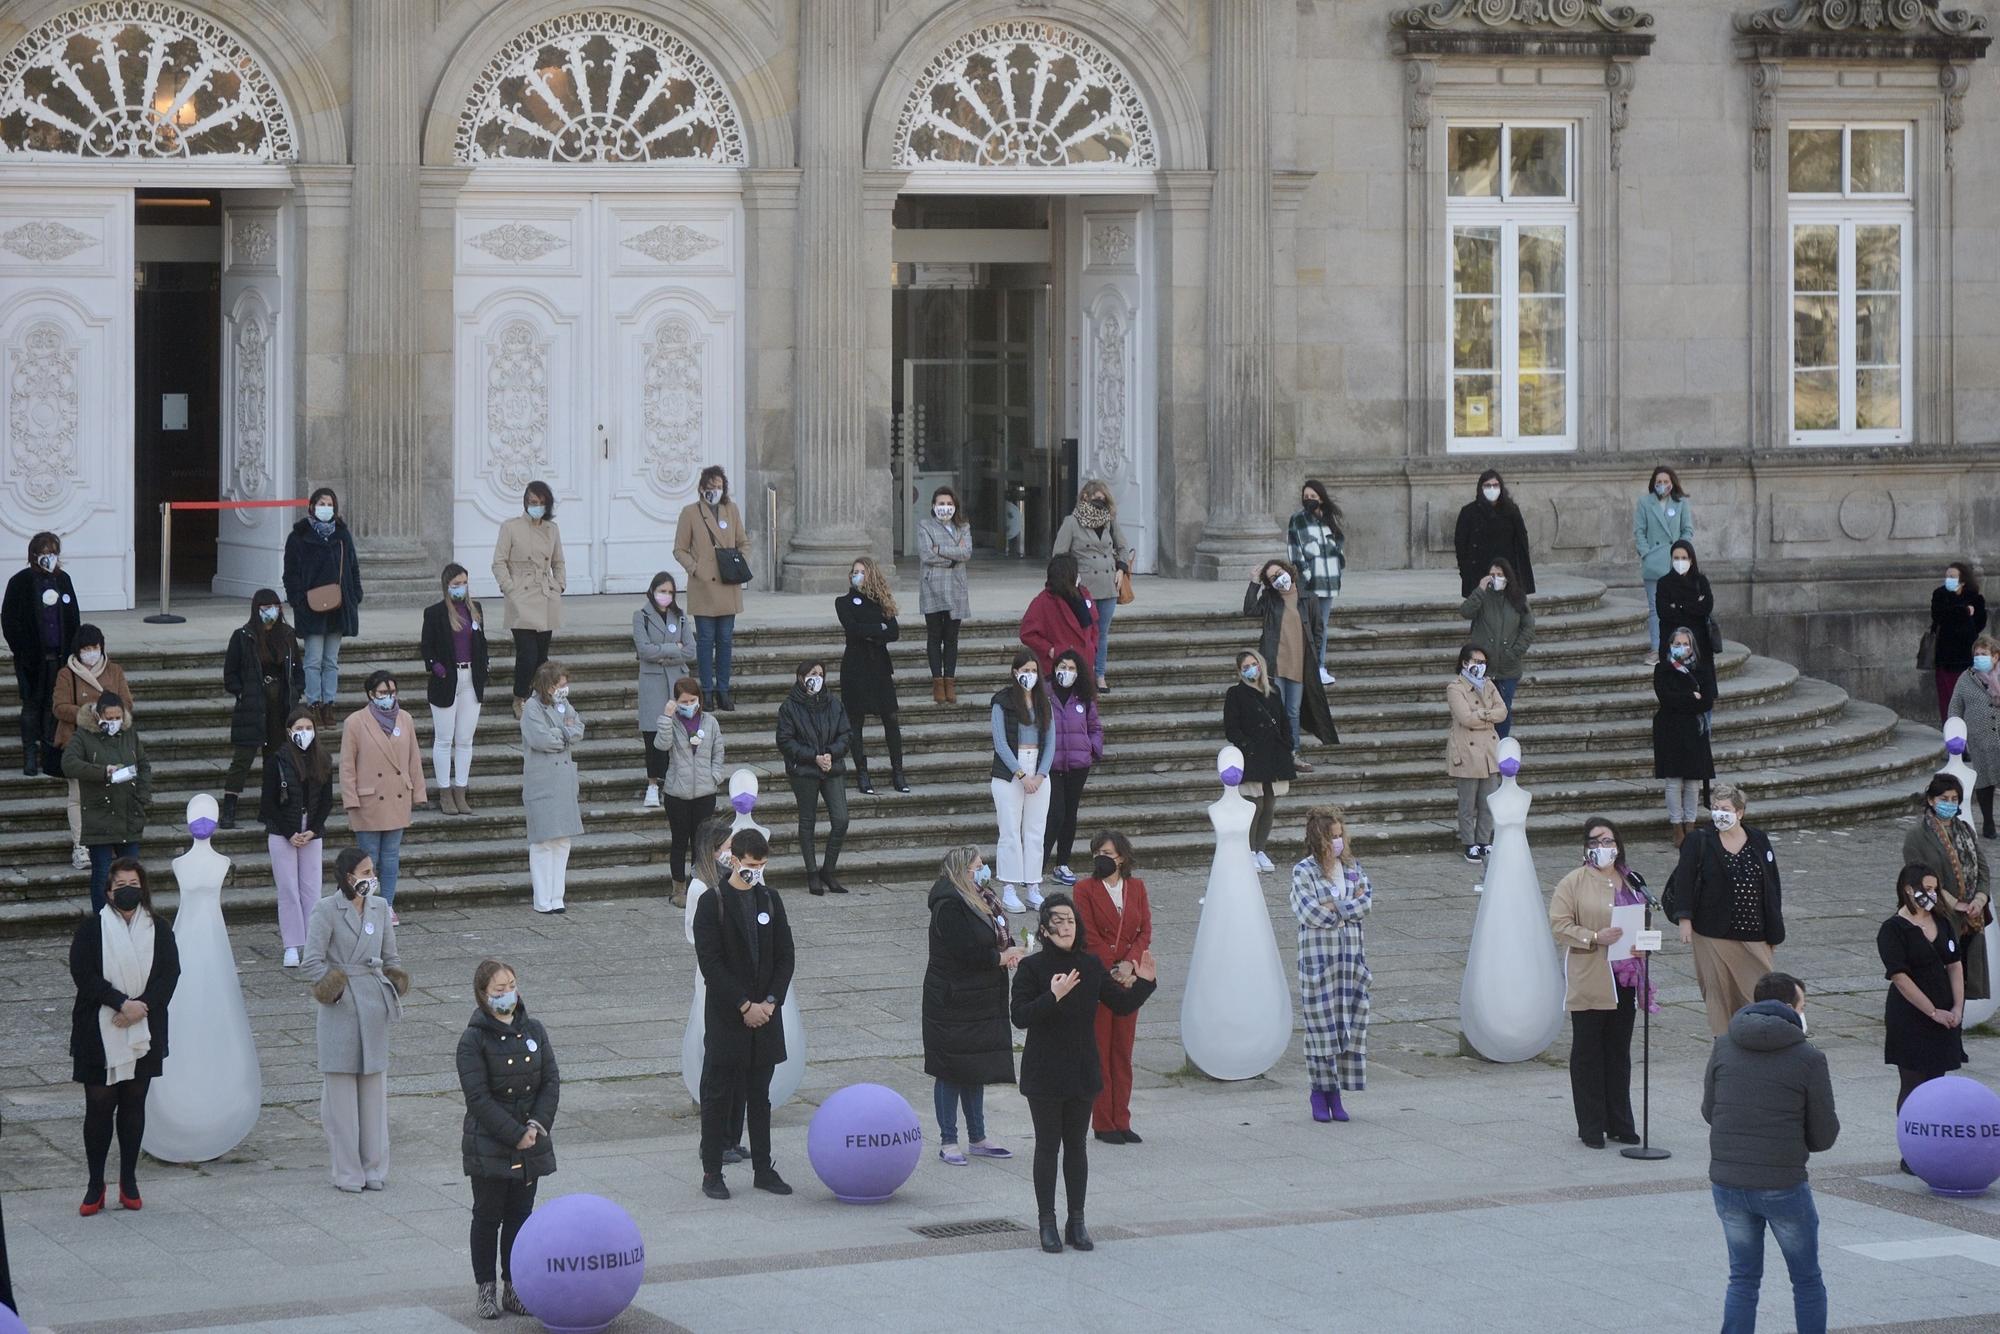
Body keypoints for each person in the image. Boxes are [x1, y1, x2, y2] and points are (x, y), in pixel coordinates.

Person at [1010, 894, 1158, 1254]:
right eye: (1057, 922)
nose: (1065, 927)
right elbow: (1020, 1016)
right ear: (1044, 929)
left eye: (1071, 921)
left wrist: (1145, 984)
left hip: (1081, 1069)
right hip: (1045, 1073)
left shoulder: (1090, 965)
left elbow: (1119, 1005)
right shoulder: (1033, 969)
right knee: (1048, 1146)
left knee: (1076, 1146)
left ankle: (1076, 1221)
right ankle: (1047, 1222)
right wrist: (1053, 995)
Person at [1702, 971, 1836, 1334]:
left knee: (1742, 1279)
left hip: (1728, 1183)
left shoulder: (1724, 1044)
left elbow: (1708, 1110)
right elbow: (1825, 1134)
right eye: (1803, 1005)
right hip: (1782, 1182)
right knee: (1806, 1280)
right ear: (1790, 1008)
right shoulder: (1808, 1057)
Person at [68, 858, 180, 1215]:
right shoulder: (91, 929)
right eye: (121, 885)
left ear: (143, 889)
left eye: (134, 883)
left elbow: (169, 974)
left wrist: (141, 1007)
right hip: (97, 1029)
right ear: (109, 892)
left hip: (144, 1027)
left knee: (133, 1104)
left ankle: (128, 1180)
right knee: (99, 1106)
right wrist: (119, 1002)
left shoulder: (159, 929)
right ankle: (94, 1183)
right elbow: (83, 974)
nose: (128, 889)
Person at [692, 828, 795, 1200]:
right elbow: (712, 964)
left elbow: (785, 956)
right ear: (734, 860)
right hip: (728, 1017)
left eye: (762, 865)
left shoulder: (770, 899)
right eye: (751, 864)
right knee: (718, 1095)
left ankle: (763, 1169)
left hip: (764, 1016)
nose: (756, 871)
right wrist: (743, 1005)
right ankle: (712, 1171)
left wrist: (770, 1002)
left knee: (760, 1097)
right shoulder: (713, 902)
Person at [456, 958, 560, 1320]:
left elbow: (550, 1082)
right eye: (499, 990)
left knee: (520, 1215)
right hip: (490, 1142)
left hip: (530, 1140)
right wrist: (513, 1134)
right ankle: (486, 1290)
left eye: (511, 985)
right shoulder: (473, 1040)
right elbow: (478, 1097)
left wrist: (535, 1126)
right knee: (487, 1217)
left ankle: (515, 1287)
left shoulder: (535, 1029)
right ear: (484, 995)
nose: (507, 994)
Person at [302, 848, 410, 1192]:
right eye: (365, 871)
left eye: (372, 870)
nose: (371, 876)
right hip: (341, 1009)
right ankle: (347, 1173)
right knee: (341, 1102)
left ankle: (374, 1168)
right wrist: (336, 990)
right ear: (348, 877)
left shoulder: (380, 908)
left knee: (374, 1096)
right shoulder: (325, 909)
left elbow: (391, 957)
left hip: (374, 1005)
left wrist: (393, 982)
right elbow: (312, 962)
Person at [1549, 819, 1654, 1149]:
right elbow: (1559, 925)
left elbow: (1643, 920)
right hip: (1590, 976)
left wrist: (1644, 944)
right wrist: (1594, 937)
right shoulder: (1573, 882)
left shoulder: (1631, 880)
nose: (1601, 848)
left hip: (1625, 977)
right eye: (1594, 842)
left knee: (1618, 1052)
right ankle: (1591, 1125)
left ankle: (1620, 1122)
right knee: (1588, 1053)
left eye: (1607, 841)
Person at [923, 847, 1025, 1166]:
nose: (983, 871)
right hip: (952, 998)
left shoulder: (981, 897)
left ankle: (978, 1136)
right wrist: (999, 958)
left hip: (979, 995)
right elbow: (963, 950)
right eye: (977, 866)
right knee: (951, 1068)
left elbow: (994, 936)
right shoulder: (950, 904)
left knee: (975, 1067)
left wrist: (1010, 950)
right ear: (961, 870)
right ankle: (948, 1139)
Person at [1670, 783, 1784, 1036]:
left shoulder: (1758, 839)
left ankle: (1760, 1038)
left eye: (1726, 809)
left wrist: (1775, 931)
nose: (1720, 813)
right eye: (1716, 808)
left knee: (1760, 990)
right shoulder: (1699, 840)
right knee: (1719, 992)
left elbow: (1772, 884)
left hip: (1754, 931)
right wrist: (1684, 919)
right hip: (1712, 932)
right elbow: (1685, 881)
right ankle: (1724, 1042)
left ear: (1740, 812)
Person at [1879, 864, 1966, 1167]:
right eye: (1926, 888)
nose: (1931, 894)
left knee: (1936, 1083)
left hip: (1944, 1013)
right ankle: (1911, 1151)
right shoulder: (1893, 929)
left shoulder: (1941, 921)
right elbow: (1900, 977)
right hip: (1911, 1015)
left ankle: (1934, 1146)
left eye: (1934, 888)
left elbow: (1955, 965)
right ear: (1908, 889)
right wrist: (1931, 1011)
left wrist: (1957, 1008)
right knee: (1913, 1083)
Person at [1290, 807, 1372, 1125]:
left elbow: (1367, 902)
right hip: (1318, 960)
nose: (1338, 842)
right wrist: (1345, 909)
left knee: (1347, 1025)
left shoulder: (1352, 868)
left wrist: (1334, 906)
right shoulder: (1303, 872)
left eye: (1340, 836)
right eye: (1332, 837)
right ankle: (1320, 1091)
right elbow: (1308, 912)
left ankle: (1337, 1089)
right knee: (1320, 1028)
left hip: (1350, 959)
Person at [1075, 830, 1152, 1142]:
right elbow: (1088, 934)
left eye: (1107, 853)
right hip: (1100, 979)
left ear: (1121, 856)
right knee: (1100, 1052)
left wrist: (1130, 964)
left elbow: (1144, 930)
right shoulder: (1084, 889)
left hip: (1129, 979)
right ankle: (1103, 1122)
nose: (1101, 859)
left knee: (1123, 1052)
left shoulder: (1137, 888)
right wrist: (1113, 966)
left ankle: (1122, 1118)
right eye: (1097, 853)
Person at [339, 671, 425, 923]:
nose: (389, 697)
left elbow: (414, 758)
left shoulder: (405, 719)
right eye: (383, 693)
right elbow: (347, 765)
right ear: (370, 695)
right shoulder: (355, 722)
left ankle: (386, 904)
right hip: (368, 799)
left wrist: (417, 792)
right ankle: (364, 904)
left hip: (397, 797)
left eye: (392, 692)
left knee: (391, 857)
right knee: (368, 858)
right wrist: (350, 798)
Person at [684, 814, 748, 1150]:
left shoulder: (733, 883)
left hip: (737, 977)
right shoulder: (700, 888)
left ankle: (733, 1136)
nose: (731, 854)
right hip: (714, 979)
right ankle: (718, 1138)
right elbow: (699, 938)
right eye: (726, 848)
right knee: (719, 1060)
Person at [1899, 773, 1990, 1005]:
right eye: (1944, 798)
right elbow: (1917, 875)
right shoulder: (1917, 836)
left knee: (1965, 974)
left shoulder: (1966, 831)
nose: (1949, 804)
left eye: (1954, 799)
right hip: (1938, 914)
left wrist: (1978, 900)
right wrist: (1952, 902)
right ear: (1931, 800)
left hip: (1970, 918)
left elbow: (1983, 869)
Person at [51, 625, 132, 871]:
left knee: (113, 793)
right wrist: (88, 713)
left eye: (95, 648)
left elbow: (127, 703)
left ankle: (110, 841)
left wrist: (113, 715)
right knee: (77, 797)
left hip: (112, 743)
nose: (91, 653)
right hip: (78, 743)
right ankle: (80, 846)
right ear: (78, 650)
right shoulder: (67, 674)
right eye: (86, 649)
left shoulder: (114, 671)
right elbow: (59, 707)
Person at [221, 589, 302, 830]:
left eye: (274, 607)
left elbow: (297, 670)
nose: (270, 612)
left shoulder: (287, 636)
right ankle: (229, 807)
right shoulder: (243, 636)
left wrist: (297, 691)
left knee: (275, 760)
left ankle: (269, 809)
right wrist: (242, 692)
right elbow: (230, 673)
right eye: (265, 607)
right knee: (242, 759)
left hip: (280, 707)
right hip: (252, 706)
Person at [63, 692, 149, 913]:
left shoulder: (130, 733)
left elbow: (143, 765)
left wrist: (142, 796)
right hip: (99, 814)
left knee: (131, 871)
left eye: (118, 717)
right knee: (102, 871)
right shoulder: (83, 735)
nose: (114, 722)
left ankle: (132, 914)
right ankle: (101, 919)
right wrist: (102, 772)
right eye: (109, 718)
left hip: (128, 811)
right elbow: (69, 764)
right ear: (99, 716)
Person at [282, 489, 362, 727]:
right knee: (313, 659)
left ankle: (329, 704)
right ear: (312, 506)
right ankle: (313, 703)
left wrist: (355, 594)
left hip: (338, 606)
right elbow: (291, 573)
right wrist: (298, 600)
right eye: (321, 503)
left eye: (329, 504)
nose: (325, 507)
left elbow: (353, 566)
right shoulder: (298, 536)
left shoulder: (342, 534)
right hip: (311, 607)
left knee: (331, 660)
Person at [3, 530, 79, 777]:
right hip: (32, 659)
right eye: (45, 552)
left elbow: (73, 616)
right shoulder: (20, 581)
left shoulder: (63, 580)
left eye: (53, 552)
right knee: (31, 705)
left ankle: (48, 751)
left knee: (51, 705)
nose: (49, 557)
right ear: (34, 555)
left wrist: (71, 651)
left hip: (58, 657)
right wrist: (22, 650)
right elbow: (9, 620)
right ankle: (29, 755)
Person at [262, 706, 332, 968]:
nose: (305, 733)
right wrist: (290, 833)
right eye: (299, 729)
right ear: (290, 732)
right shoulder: (277, 760)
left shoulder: (323, 759)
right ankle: (292, 944)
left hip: (311, 830)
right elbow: (267, 804)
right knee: (289, 888)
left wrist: (313, 829)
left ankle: (313, 943)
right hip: (283, 831)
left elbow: (326, 800)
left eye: (309, 728)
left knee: (312, 888)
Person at [774, 659, 851, 895]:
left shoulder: (834, 704)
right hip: (805, 770)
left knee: (841, 819)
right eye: (811, 673)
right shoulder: (789, 707)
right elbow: (785, 741)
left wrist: (830, 754)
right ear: (800, 678)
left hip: (831, 768)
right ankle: (812, 873)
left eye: (820, 673)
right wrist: (813, 757)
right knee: (808, 821)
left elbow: (845, 734)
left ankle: (828, 869)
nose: (816, 677)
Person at [1244, 558, 1328, 771]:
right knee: (1276, 709)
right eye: (1272, 578)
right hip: (1276, 664)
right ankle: (1276, 752)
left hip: (1299, 665)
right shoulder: (1270, 599)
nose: (1279, 579)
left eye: (1279, 573)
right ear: (1270, 584)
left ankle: (1293, 752)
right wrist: (1254, 583)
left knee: (1293, 711)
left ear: (1287, 571)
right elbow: (1250, 610)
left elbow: (1318, 631)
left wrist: (1315, 658)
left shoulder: (1308, 597)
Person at [673, 464, 746, 711]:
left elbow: (743, 542)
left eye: (718, 486)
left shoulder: (731, 510)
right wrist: (695, 568)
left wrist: (738, 560)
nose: (714, 490)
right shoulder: (690, 513)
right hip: (703, 586)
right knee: (705, 640)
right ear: (701, 488)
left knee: (725, 640)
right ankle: (706, 690)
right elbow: (679, 549)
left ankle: (723, 690)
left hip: (728, 584)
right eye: (710, 486)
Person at [1051, 480, 1133, 692]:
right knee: (1083, 633)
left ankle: (1100, 675)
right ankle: (1080, 675)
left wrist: (1121, 568)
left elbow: (1123, 546)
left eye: (1104, 500)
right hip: (1082, 588)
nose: (1100, 503)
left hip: (1108, 585)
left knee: (1102, 633)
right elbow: (1059, 554)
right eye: (1097, 499)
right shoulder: (1071, 522)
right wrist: (1071, 577)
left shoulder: (1109, 520)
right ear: (1085, 497)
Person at [491, 480, 564, 719]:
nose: (537, 506)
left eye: (542, 503)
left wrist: (559, 585)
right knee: (527, 654)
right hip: (521, 594)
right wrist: (509, 587)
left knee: (542, 655)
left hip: (545, 594)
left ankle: (540, 696)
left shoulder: (552, 529)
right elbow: (499, 561)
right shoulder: (510, 527)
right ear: (525, 502)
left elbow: (558, 561)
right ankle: (520, 696)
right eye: (533, 502)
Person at [422, 563, 489, 817]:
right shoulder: (435, 613)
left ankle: (461, 789)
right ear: (447, 586)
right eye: (456, 584)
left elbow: (481, 643)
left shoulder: (475, 610)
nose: (461, 588)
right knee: (444, 739)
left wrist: (484, 668)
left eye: (464, 583)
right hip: (447, 679)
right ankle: (444, 790)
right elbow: (426, 647)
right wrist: (437, 668)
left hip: (471, 678)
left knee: (464, 740)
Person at [990, 650, 1055, 912]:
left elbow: (1051, 742)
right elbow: (1000, 742)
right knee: (1010, 830)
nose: (1029, 675)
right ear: (1016, 672)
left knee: (1035, 830)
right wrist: (1021, 774)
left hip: (1038, 769)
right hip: (1010, 772)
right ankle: (1009, 886)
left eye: (1033, 671)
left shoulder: (1043, 702)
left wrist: (1039, 775)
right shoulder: (1002, 701)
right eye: (1024, 671)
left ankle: (1033, 886)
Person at [838, 556, 907, 794]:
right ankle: (862, 773)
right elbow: (853, 630)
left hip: (879, 666)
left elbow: (894, 632)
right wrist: (879, 629)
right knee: (856, 722)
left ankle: (898, 771)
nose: (856, 575)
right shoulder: (843, 602)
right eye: (854, 571)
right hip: (855, 668)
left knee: (891, 719)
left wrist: (873, 631)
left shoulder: (881, 602)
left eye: (861, 571)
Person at [521, 661, 585, 915]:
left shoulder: (564, 704)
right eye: (561, 685)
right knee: (542, 841)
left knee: (562, 841)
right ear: (548, 687)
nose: (565, 689)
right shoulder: (531, 709)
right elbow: (540, 739)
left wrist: (563, 733)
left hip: (564, 780)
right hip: (542, 780)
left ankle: (557, 896)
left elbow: (579, 728)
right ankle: (542, 898)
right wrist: (565, 732)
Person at [1223, 649, 1294, 874]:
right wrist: (1247, 745)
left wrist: (1288, 743)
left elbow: (1284, 719)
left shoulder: (1272, 691)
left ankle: (1261, 849)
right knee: (1255, 804)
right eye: (1246, 667)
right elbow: (1232, 727)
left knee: (1270, 804)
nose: (1251, 669)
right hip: (1252, 755)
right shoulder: (1236, 693)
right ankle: (1250, 850)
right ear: (1239, 671)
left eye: (1253, 664)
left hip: (1274, 753)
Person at [655, 676, 724, 897]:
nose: (688, 705)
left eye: (692, 700)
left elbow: (718, 751)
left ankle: (698, 885)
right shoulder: (672, 722)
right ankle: (678, 890)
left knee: (701, 842)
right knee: (679, 841)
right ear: (675, 701)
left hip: (705, 792)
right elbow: (661, 745)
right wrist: (666, 717)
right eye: (683, 701)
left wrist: (715, 775)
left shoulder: (709, 722)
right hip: (677, 792)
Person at [634, 570, 694, 810]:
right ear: (653, 591)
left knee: (679, 734)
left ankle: (673, 782)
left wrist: (663, 653)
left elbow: (690, 650)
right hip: (653, 684)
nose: (666, 596)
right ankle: (652, 785)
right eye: (662, 591)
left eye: (670, 592)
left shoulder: (679, 617)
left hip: (677, 681)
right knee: (652, 735)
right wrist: (673, 648)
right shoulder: (641, 616)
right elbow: (644, 650)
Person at [1044, 649, 1103, 884]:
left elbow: (1095, 727)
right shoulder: (1045, 693)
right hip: (1052, 764)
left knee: (1070, 814)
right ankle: (1039, 863)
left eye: (1070, 668)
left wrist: (1092, 748)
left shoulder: (1084, 697)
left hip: (1078, 765)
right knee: (1055, 813)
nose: (1065, 672)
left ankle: (1062, 864)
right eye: (1062, 667)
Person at [1655, 626, 1718, 847]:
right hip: (1670, 730)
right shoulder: (1663, 670)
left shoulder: (1702, 670)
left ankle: (1690, 825)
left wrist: (1688, 700)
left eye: (1686, 644)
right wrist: (1691, 697)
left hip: (1695, 730)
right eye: (1678, 644)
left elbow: (1707, 700)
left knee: (1693, 782)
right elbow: (1666, 698)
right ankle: (1677, 827)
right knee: (1673, 781)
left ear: (1692, 647)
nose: (1682, 648)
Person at [1460, 557, 1534, 739]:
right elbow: (1465, 611)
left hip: (1508, 667)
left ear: (1507, 577)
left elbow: (1528, 627)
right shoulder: (1482, 596)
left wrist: (1514, 652)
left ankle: (1499, 749)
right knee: (1480, 708)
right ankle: (1483, 747)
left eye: (1500, 575)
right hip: (1483, 668)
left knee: (1503, 710)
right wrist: (1480, 589)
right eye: (1492, 574)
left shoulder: (1518, 598)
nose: (1496, 578)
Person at [1446, 644, 1506, 864]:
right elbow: (1465, 718)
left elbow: (1503, 711)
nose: (1481, 667)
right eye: (1477, 662)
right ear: (1465, 662)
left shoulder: (1489, 684)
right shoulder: (1455, 687)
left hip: (1489, 751)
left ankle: (1484, 841)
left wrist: (1482, 714)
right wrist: (1488, 716)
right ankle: (1469, 843)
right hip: (1467, 750)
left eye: (1483, 663)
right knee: (1468, 802)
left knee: (1488, 801)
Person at [1287, 479, 1346, 685]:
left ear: (1321, 498)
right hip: (1310, 582)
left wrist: (1339, 567)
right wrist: (1306, 574)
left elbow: (1339, 545)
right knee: (1308, 625)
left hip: (1330, 582)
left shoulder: (1330, 520)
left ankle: (1320, 666)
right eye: (1306, 497)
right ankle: (1306, 666)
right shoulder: (1298, 520)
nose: (1309, 500)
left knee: (1322, 626)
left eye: (1313, 497)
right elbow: (1295, 551)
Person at [917, 484, 972, 704]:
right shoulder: (925, 525)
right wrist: (952, 556)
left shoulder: (963, 527)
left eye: (949, 504)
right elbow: (926, 554)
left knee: (951, 638)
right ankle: (937, 681)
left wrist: (940, 549)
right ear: (933, 506)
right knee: (934, 636)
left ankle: (950, 681)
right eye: (941, 504)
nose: (945, 508)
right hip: (933, 586)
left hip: (956, 587)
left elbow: (966, 552)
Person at [1635, 466, 1694, 659]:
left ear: (1672, 483)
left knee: (1677, 606)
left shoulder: (1681, 503)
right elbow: (1640, 532)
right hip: (1654, 563)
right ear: (1653, 483)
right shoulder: (1645, 503)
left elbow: (1687, 529)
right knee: (1655, 608)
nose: (1662, 485)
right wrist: (1646, 554)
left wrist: (1682, 552)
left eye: (1666, 482)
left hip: (1675, 563)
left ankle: (1677, 648)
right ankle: (1656, 648)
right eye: (1658, 482)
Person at [1948, 632, 2000, 837]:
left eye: (1984, 653)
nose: (1979, 657)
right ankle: (1988, 822)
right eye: (1977, 654)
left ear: (1995, 656)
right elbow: (1954, 708)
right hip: (1980, 739)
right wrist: (1954, 734)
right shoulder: (1966, 679)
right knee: (1984, 780)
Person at [1454, 469, 1536, 598]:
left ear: (1501, 487)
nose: (1492, 489)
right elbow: (1461, 544)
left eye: (1495, 485)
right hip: (1479, 571)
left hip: (1507, 570)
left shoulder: (1511, 510)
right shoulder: (1468, 512)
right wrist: (1465, 572)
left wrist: (1520, 575)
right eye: (1487, 485)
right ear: (1481, 488)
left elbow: (1521, 542)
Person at [1019, 553, 1099, 679]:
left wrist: (1092, 648)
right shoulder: (1043, 601)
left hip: (1085, 665)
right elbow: (1027, 633)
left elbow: (1093, 623)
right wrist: (1051, 650)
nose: (1079, 575)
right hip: (1060, 667)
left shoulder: (1083, 593)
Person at [1930, 560, 1988, 723]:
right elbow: (1940, 616)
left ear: (1962, 580)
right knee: (1947, 696)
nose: (1948, 579)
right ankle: (1950, 728)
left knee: (1967, 695)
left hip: (1965, 653)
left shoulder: (1975, 597)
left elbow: (1979, 622)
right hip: (1945, 655)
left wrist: (1965, 618)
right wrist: (1963, 612)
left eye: (1952, 576)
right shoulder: (1940, 595)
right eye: (1947, 576)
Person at [1656, 539, 1714, 668]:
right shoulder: (1664, 583)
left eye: (1684, 558)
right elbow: (1663, 612)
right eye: (1676, 558)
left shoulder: (1701, 581)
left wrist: (1679, 606)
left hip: (1700, 646)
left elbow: (1707, 606)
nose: (1680, 561)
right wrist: (1693, 606)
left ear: (1691, 560)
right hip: (1672, 644)